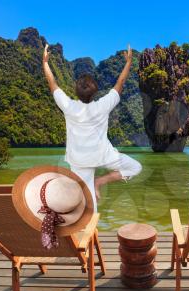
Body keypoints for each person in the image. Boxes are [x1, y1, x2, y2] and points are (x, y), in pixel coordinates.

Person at [42, 44, 142, 211]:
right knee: (135, 167)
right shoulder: (103, 105)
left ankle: (87, 227)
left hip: (79, 160)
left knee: (88, 203)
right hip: (103, 155)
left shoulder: (68, 106)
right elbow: (120, 82)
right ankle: (101, 182)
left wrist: (45, 62)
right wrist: (128, 62)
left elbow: (52, 84)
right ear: (95, 92)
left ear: (76, 91)